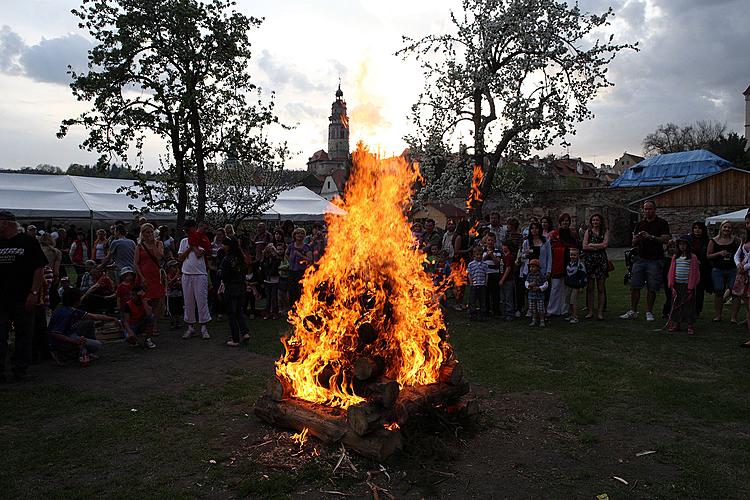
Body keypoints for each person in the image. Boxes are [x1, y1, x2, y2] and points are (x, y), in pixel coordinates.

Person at [0, 210, 48, 381]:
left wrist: (34, 292)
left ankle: (20, 369)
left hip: (23, 297)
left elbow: (39, 268)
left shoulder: (28, 241)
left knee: (23, 334)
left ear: (6, 223)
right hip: (2, 298)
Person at [620, 200, 671, 322]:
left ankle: (649, 311)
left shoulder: (662, 223)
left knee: (652, 286)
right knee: (635, 285)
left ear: (654, 209)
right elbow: (633, 241)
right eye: (645, 209)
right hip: (640, 258)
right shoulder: (640, 224)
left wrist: (651, 237)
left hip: (655, 259)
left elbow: (666, 239)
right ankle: (633, 310)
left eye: (650, 209)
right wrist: (637, 239)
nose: (647, 211)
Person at [48, 288, 119, 364]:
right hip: (62, 340)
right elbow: (55, 333)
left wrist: (112, 318)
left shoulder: (69, 308)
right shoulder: (65, 313)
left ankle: (82, 349)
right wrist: (74, 341)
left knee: (89, 322)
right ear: (75, 300)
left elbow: (93, 316)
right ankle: (65, 353)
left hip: (70, 332)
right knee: (97, 345)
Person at [178, 220, 211, 339]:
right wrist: (190, 246)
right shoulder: (184, 241)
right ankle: (190, 327)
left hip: (200, 274)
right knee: (188, 302)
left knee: (202, 301)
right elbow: (180, 258)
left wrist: (194, 244)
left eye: (189, 228)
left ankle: (203, 327)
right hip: (186, 274)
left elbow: (198, 254)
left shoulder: (202, 239)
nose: (187, 230)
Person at [134, 223, 165, 335]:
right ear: (143, 234)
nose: (150, 234)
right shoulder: (139, 246)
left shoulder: (159, 243)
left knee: (156, 301)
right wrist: (141, 277)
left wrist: (153, 245)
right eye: (147, 232)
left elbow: (159, 257)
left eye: (151, 232)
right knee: (145, 301)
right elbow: (136, 263)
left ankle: (155, 325)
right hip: (144, 276)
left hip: (156, 276)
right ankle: (147, 325)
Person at [707, 220, 741, 323]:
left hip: (733, 269)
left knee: (735, 292)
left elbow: (742, 252)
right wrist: (719, 253)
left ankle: (733, 317)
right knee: (719, 291)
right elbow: (708, 255)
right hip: (718, 269)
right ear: (721, 228)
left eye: (729, 227)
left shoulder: (736, 241)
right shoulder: (713, 241)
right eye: (725, 227)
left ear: (732, 229)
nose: (727, 229)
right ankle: (718, 315)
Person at [219, 237, 250, 346]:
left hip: (231, 288)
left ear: (228, 246)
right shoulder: (240, 257)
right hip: (241, 287)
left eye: (224, 244)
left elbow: (225, 276)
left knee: (232, 314)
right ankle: (245, 332)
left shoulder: (227, 259)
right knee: (238, 311)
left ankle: (235, 339)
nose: (222, 246)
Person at [547, 213, 580, 317]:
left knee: (567, 288)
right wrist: (565, 250)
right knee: (556, 287)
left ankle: (564, 309)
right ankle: (552, 309)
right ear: (560, 222)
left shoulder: (572, 234)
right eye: (563, 221)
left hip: (569, 263)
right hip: (557, 263)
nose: (565, 222)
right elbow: (551, 249)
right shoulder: (554, 234)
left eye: (567, 221)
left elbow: (577, 246)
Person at [666, 236, 700, 334]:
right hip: (677, 285)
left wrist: (691, 286)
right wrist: (671, 285)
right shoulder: (675, 257)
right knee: (676, 304)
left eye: (684, 244)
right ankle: (677, 323)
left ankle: (690, 325)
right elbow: (671, 271)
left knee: (689, 305)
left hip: (687, 286)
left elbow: (694, 273)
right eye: (680, 244)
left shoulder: (693, 257)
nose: (682, 246)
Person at [582, 213, 610, 320]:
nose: (595, 222)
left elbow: (605, 244)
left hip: (601, 261)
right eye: (593, 220)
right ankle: (590, 311)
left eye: (597, 220)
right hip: (590, 261)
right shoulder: (588, 232)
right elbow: (584, 246)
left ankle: (600, 312)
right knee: (590, 288)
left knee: (601, 287)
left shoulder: (605, 231)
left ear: (600, 221)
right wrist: (598, 247)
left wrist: (592, 245)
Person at [686, 221, 712, 317]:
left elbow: (708, 254)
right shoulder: (689, 240)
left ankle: (697, 310)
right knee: (688, 288)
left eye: (699, 228)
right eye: (695, 228)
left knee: (699, 290)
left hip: (702, 268)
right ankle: (687, 307)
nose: (697, 230)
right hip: (689, 266)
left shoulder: (707, 241)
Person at [286, 227, 313, 304]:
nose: (299, 235)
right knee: (292, 290)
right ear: (294, 235)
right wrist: (290, 261)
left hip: (301, 272)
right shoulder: (291, 246)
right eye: (298, 233)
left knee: (301, 291)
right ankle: (293, 309)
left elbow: (310, 259)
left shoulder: (306, 247)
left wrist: (300, 255)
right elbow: (286, 253)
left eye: (302, 233)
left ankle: (302, 307)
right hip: (292, 271)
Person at [563, 247, 587, 324]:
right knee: (569, 300)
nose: (572, 256)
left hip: (576, 286)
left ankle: (575, 316)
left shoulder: (580, 266)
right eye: (571, 255)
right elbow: (566, 274)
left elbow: (583, 277)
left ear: (578, 256)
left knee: (573, 301)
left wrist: (581, 286)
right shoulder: (568, 264)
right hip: (569, 285)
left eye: (574, 255)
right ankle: (571, 315)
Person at [482, 232, 503, 316]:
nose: (490, 242)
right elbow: (480, 260)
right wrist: (487, 255)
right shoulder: (483, 251)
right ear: (486, 241)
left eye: (492, 240)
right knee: (486, 294)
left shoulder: (497, 252)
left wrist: (492, 255)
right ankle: (487, 310)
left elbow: (498, 263)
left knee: (495, 293)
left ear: (494, 242)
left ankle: (496, 310)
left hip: (494, 274)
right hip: (486, 275)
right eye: (489, 240)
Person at [467, 246, 488, 321]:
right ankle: (473, 314)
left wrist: (485, 282)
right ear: (474, 255)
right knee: (473, 300)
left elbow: (486, 274)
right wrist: (471, 282)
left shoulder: (485, 264)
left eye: (480, 254)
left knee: (482, 300)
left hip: (482, 284)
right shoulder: (471, 264)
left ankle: (482, 315)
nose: (479, 256)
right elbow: (469, 274)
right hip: (474, 284)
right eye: (477, 254)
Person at [525, 259, 549, 327]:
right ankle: (534, 319)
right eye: (530, 267)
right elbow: (526, 282)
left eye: (533, 267)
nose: (531, 268)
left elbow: (546, 284)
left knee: (540, 308)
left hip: (539, 295)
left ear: (538, 268)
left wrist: (539, 288)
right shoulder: (529, 275)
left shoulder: (541, 275)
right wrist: (529, 286)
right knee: (532, 308)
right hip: (531, 295)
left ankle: (542, 320)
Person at [261, 243, 282, 319]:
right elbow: (263, 270)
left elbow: (278, 261)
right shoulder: (265, 260)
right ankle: (267, 313)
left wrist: (275, 253)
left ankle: (275, 313)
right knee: (268, 298)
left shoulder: (276, 259)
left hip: (274, 281)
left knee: (274, 298)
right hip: (267, 281)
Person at [499, 241, 516, 321]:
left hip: (508, 280)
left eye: (504, 245)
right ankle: (504, 313)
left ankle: (510, 314)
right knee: (503, 298)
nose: (502, 247)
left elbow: (508, 268)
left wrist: (502, 279)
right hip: (503, 280)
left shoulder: (509, 257)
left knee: (508, 298)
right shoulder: (504, 257)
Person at [165, 260, 183, 330]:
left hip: (178, 295)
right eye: (174, 267)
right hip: (170, 295)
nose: (176, 269)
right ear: (169, 268)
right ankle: (172, 323)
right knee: (172, 310)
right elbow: (169, 283)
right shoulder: (167, 275)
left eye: (176, 267)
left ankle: (177, 322)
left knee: (178, 309)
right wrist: (175, 277)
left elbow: (181, 284)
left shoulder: (179, 275)